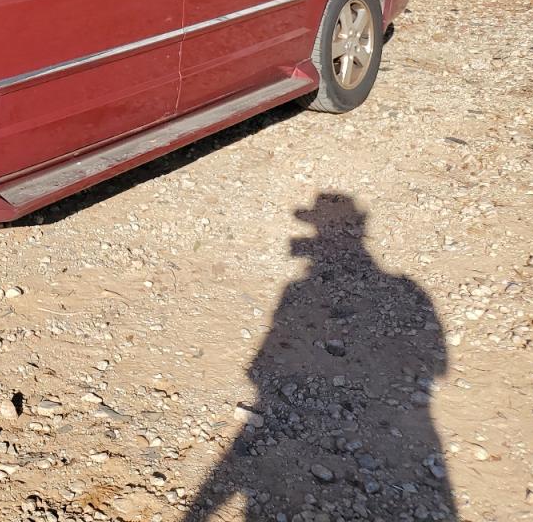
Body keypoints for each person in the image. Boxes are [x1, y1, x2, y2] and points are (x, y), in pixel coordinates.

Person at [186, 192, 456, 520]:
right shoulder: (406, 289)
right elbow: (438, 365)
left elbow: (260, 366)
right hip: (409, 432)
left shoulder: (298, 290)